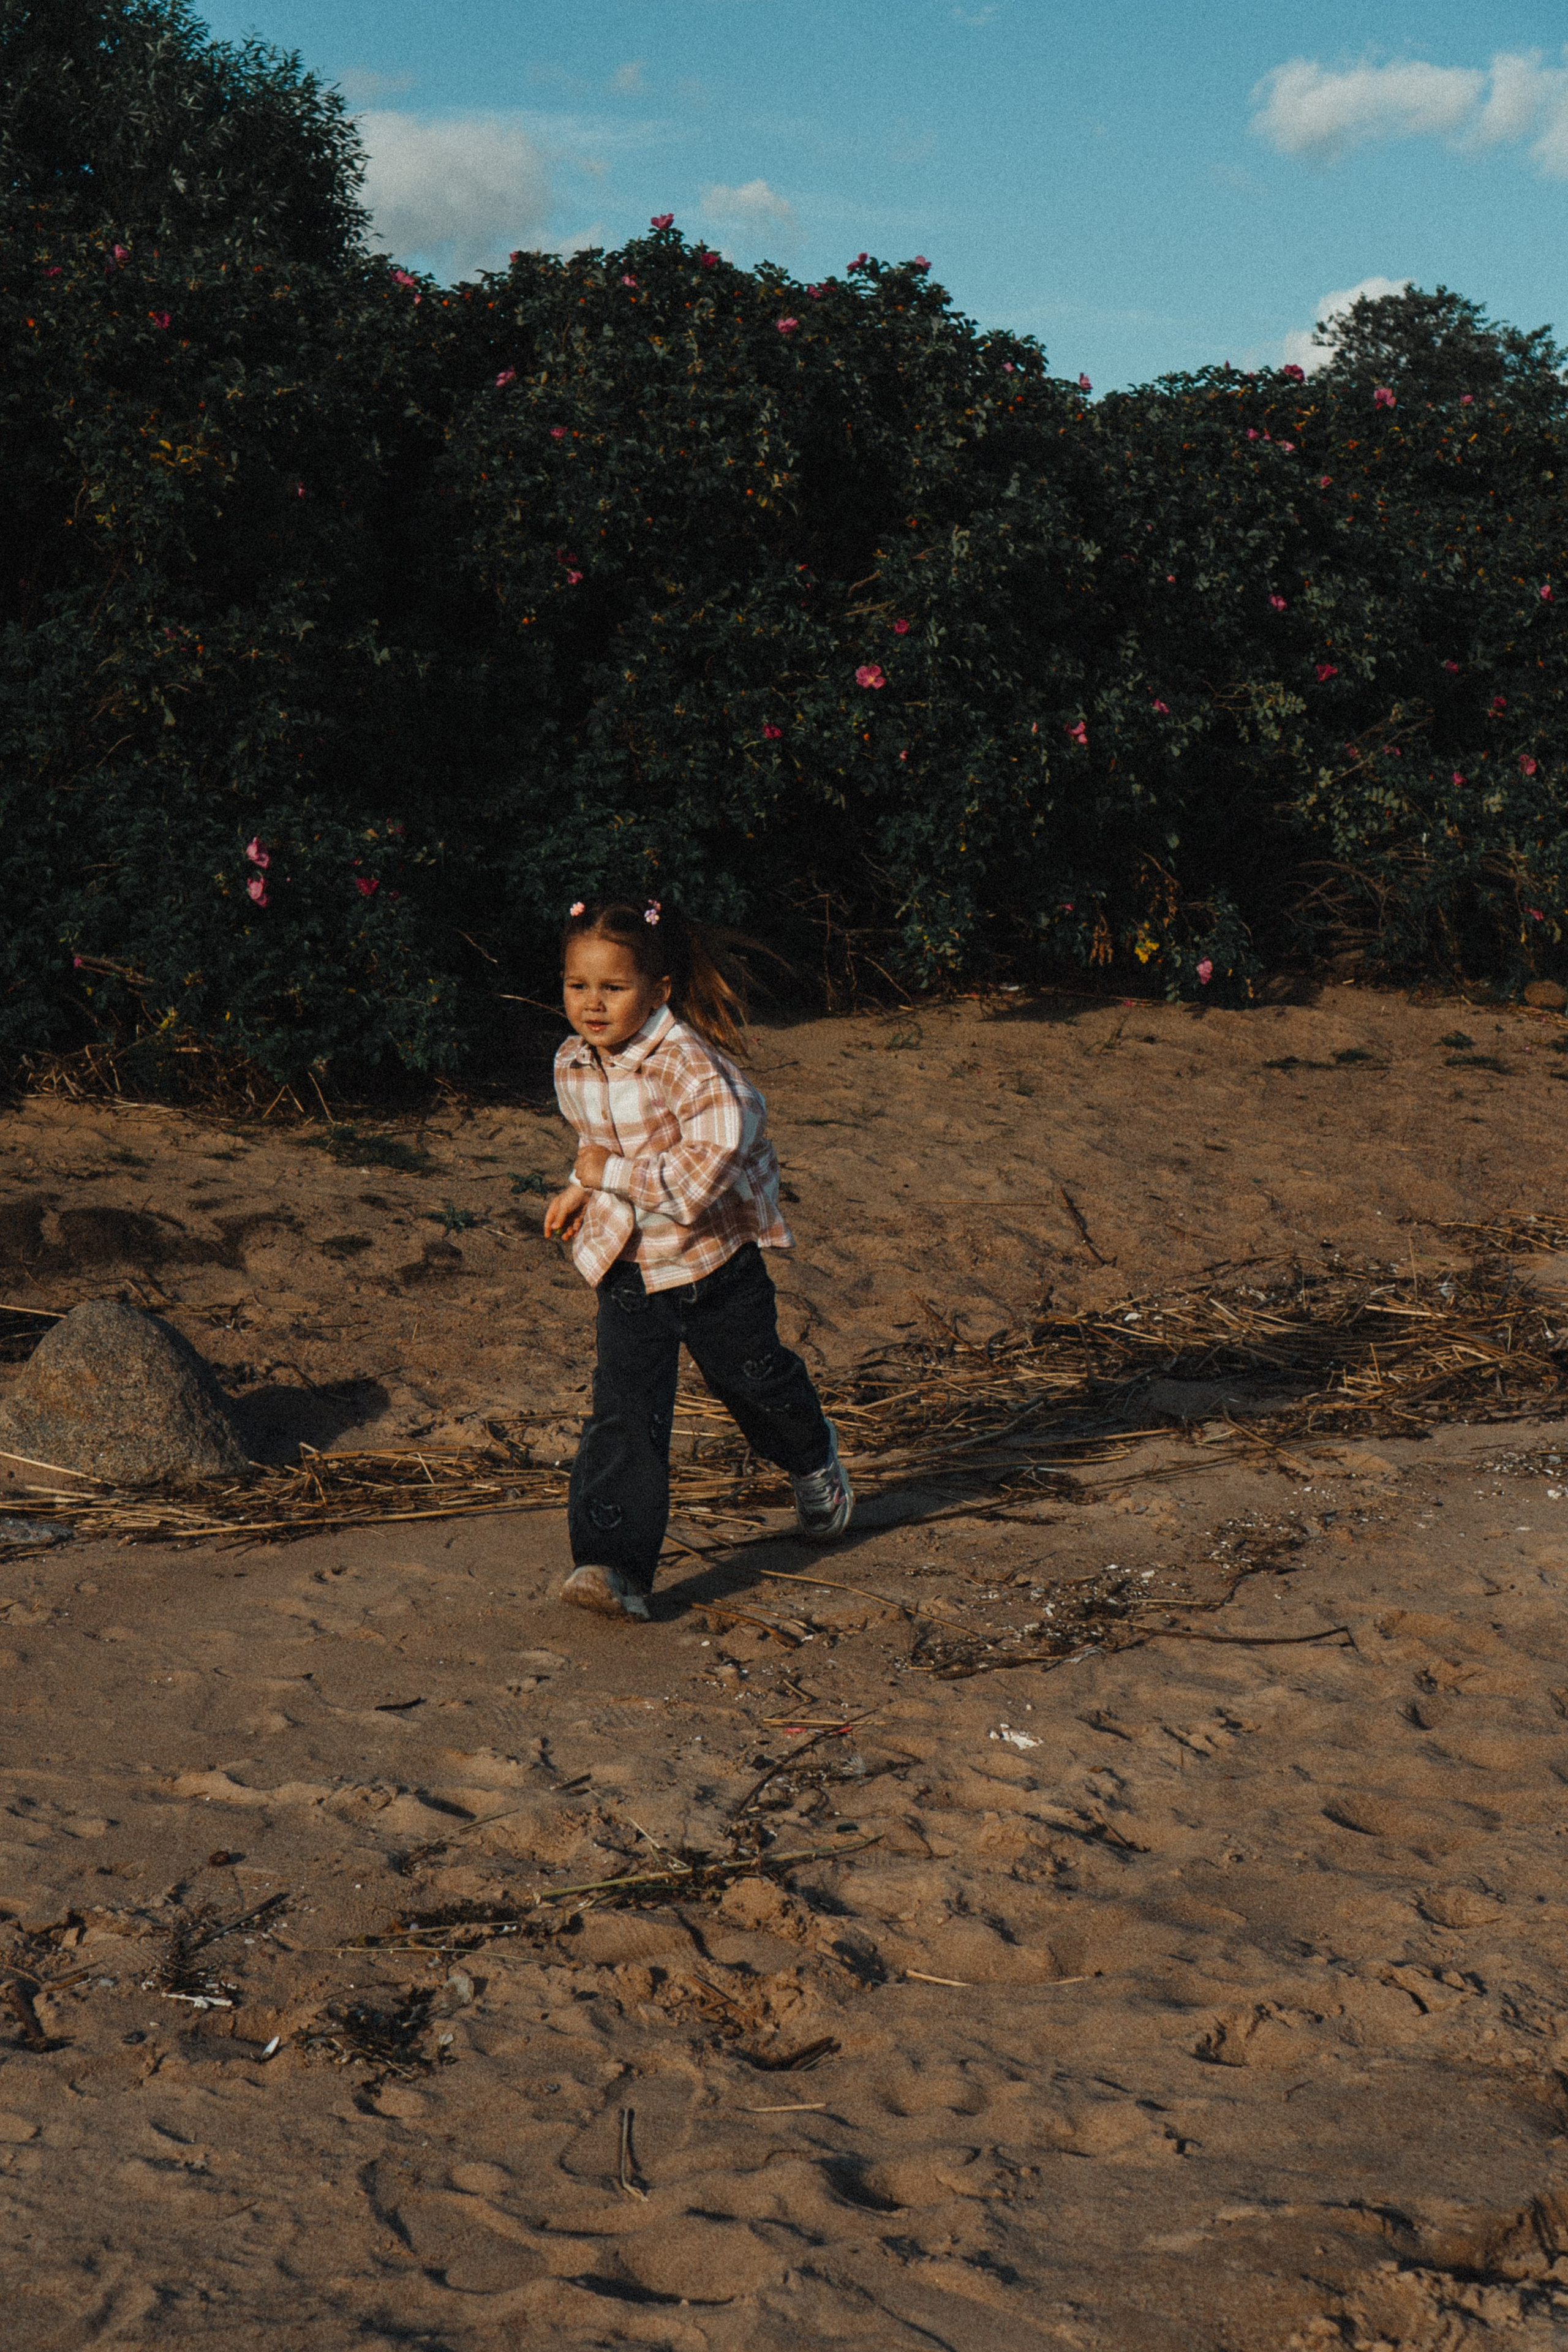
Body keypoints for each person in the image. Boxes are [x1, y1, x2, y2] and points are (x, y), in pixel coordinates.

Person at [542, 895, 852, 1620]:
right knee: (623, 1411)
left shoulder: (697, 1072)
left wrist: (598, 1176)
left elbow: (690, 1183)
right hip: (630, 1271)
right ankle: (612, 1566)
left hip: (715, 1265)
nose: (591, 1004)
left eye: (613, 989)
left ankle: (811, 1458)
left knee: (754, 1384)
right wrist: (577, 1189)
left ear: (658, 991)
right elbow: (604, 1146)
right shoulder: (573, 1062)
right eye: (576, 985)